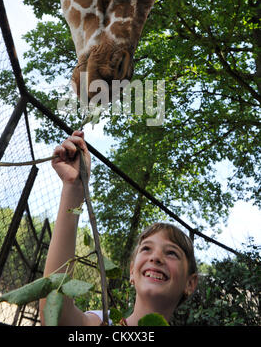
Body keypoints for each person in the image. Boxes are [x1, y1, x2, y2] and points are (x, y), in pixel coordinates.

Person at [39, 131, 198, 326]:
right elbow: (56, 317)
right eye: (146, 248)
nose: (155, 258)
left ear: (190, 283)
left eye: (172, 253)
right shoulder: (103, 323)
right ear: (132, 271)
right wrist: (74, 189)